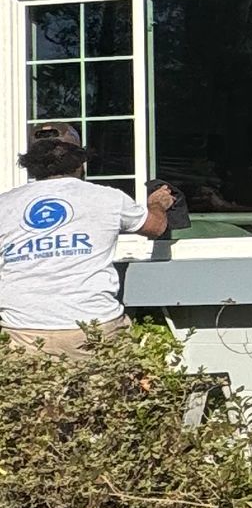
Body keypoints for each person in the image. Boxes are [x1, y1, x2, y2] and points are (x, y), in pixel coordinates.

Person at [0, 130, 175, 352]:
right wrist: (157, 204)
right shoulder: (107, 198)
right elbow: (155, 227)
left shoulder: (5, 204)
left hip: (21, 331)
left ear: (31, 163)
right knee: (118, 371)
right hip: (93, 328)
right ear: (79, 162)